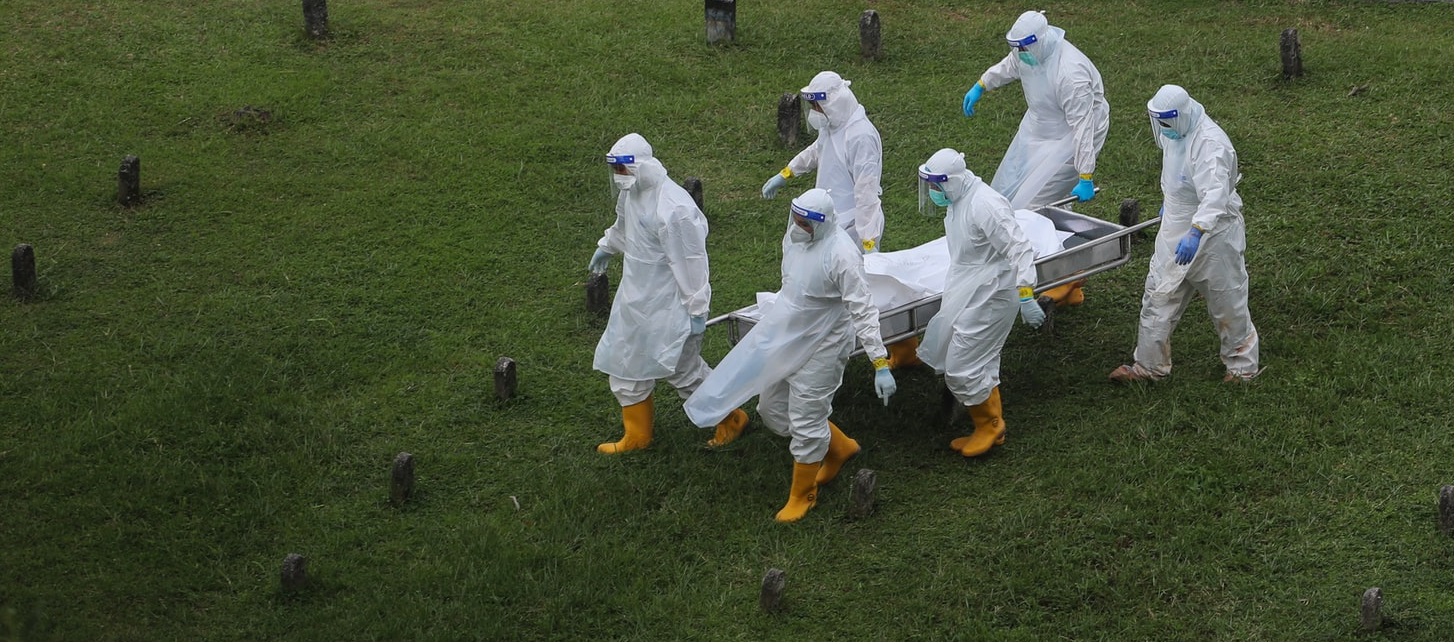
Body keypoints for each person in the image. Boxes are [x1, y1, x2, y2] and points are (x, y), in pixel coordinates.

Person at [684, 188, 897, 523]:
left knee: (807, 416)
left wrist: (880, 362)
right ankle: (840, 448)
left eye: (806, 222)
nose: (798, 225)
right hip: (788, 334)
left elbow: (863, 308)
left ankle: (803, 494)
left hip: (825, 342)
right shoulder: (796, 238)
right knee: (771, 410)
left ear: (823, 223)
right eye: (796, 218)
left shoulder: (842, 255)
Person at [589, 133, 748, 454]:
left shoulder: (674, 208)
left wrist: (697, 310)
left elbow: (691, 262)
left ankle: (731, 417)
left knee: (681, 369)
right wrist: (607, 246)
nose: (619, 176)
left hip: (671, 303)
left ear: (641, 166)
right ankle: (637, 436)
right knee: (625, 362)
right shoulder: (633, 191)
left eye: (622, 168)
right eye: (615, 170)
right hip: (636, 298)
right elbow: (624, 226)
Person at [760, 71, 921, 369]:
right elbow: (817, 151)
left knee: (860, 289)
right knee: (827, 282)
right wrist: (787, 173)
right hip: (827, 218)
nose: (814, 112)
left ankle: (890, 344)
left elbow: (866, 192)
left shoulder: (861, 136)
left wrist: (868, 239)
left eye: (817, 105)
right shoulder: (834, 126)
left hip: (852, 227)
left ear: (834, 102)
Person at [1109, 85, 1260, 383]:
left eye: (1166, 121)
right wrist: (1170, 203)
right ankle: (1148, 366)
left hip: (1214, 233)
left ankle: (1242, 368)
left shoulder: (1210, 144)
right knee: (1158, 294)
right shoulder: (1175, 133)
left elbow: (1215, 194)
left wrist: (1197, 230)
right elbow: (1177, 175)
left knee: (1226, 298)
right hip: (1175, 228)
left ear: (1181, 114)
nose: (1163, 128)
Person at [961, 10, 1110, 307]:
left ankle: (1060, 278)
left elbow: (1082, 127)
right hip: (1038, 127)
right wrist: (982, 84)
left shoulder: (1070, 73)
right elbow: (1010, 65)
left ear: (1040, 41)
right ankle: (1061, 272)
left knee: (1036, 206)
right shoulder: (1028, 52)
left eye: (1024, 48)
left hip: (1070, 138)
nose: (1020, 54)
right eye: (1017, 48)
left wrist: (1085, 174)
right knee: (1006, 192)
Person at [915, 148, 1045, 458]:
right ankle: (991, 425)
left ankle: (990, 425)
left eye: (936, 185)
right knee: (981, 359)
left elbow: (1019, 248)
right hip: (972, 287)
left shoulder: (985, 205)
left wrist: (1026, 293)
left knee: (961, 368)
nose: (933, 192)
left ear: (953, 180)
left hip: (993, 292)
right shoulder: (959, 199)